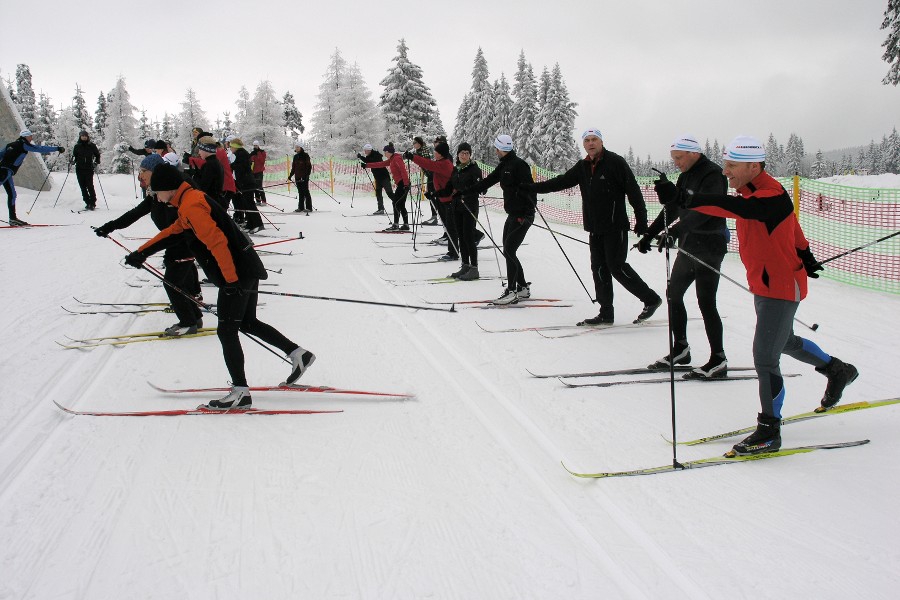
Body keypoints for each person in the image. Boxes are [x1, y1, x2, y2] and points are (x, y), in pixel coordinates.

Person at [680, 135, 858, 455]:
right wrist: (806, 254)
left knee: (765, 358)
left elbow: (738, 210)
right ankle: (836, 369)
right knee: (784, 342)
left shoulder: (769, 194)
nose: (726, 171)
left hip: (780, 287)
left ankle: (768, 431)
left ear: (753, 165)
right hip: (765, 284)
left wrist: (688, 198)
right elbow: (792, 227)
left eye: (732, 165)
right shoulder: (753, 191)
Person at [124, 163, 316, 409]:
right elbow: (174, 232)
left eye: (155, 192)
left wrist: (231, 281)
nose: (156, 198)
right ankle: (298, 354)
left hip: (236, 272)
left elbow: (218, 244)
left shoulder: (192, 205)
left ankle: (240, 393)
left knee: (226, 331)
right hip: (244, 267)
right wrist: (141, 252)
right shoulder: (188, 202)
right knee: (247, 322)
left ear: (167, 188)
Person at [530, 129, 662, 324]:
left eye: (594, 140)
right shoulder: (583, 166)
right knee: (598, 269)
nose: (591, 143)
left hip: (615, 226)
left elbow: (633, 191)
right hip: (595, 228)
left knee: (616, 267)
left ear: (601, 141)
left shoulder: (615, 162)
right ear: (584, 144)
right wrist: (531, 187)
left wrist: (641, 220)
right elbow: (561, 182)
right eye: (587, 140)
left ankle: (651, 299)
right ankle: (606, 313)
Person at [636, 135, 730, 378]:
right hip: (690, 244)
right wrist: (650, 233)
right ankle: (681, 349)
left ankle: (718, 359)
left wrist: (675, 231)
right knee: (673, 295)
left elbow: (707, 210)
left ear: (694, 153)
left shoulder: (713, 175)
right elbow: (674, 207)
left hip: (710, 245)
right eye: (673, 158)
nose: (676, 162)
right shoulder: (685, 175)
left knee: (706, 301)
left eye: (679, 158)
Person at [94, 153, 203, 336]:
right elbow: (136, 212)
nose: (141, 174)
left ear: (155, 170)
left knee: (172, 283)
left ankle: (188, 322)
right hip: (174, 242)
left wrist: (144, 252)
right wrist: (110, 226)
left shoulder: (173, 189)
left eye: (144, 170)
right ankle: (194, 317)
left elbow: (181, 226)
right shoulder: (155, 192)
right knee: (178, 282)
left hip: (184, 241)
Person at [463, 134, 535, 304]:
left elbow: (531, 190)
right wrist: (466, 191)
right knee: (508, 250)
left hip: (522, 216)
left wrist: (527, 214)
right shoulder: (504, 165)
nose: (495, 150)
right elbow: (488, 181)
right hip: (512, 214)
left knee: (509, 250)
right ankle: (523, 287)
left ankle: (511, 291)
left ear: (500, 148)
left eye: (496, 148)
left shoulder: (519, 165)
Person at [0, 129, 64, 225]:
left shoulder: (10, 145)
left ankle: (13, 218)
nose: (31, 138)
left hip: (6, 171)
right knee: (12, 195)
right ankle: (12, 218)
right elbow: (39, 149)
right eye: (30, 136)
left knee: (12, 194)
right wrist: (57, 148)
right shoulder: (23, 144)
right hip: (5, 171)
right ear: (25, 136)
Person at [405, 140, 455, 256]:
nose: (434, 154)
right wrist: (433, 193)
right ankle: (449, 240)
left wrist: (413, 157)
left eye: (436, 152)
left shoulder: (444, 163)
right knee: (445, 221)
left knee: (451, 224)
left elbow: (428, 164)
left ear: (441, 153)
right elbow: (432, 171)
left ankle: (456, 247)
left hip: (448, 199)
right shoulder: (441, 162)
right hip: (442, 197)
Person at [447, 142, 483, 280]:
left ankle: (474, 268)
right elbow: (450, 186)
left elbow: (480, 187)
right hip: (457, 207)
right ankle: (465, 265)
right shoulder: (456, 169)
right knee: (461, 237)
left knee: (468, 237)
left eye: (467, 153)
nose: (464, 155)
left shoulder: (474, 169)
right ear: (458, 154)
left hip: (469, 206)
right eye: (462, 153)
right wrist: (437, 194)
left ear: (470, 155)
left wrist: (466, 192)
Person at [362, 143, 410, 230]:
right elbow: (380, 164)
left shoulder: (396, 159)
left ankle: (396, 225)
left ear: (389, 152)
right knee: (400, 204)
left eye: (385, 152)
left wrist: (406, 184)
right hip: (401, 184)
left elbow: (403, 171)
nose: (384, 154)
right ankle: (406, 225)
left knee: (396, 203)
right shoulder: (392, 159)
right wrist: (367, 165)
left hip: (403, 184)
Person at [229, 138, 264, 233]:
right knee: (246, 204)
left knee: (250, 204)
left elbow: (240, 166)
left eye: (231, 146)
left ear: (235, 146)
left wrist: (230, 167)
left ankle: (258, 224)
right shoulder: (239, 154)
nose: (230, 148)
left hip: (247, 182)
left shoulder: (241, 154)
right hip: (243, 182)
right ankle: (250, 224)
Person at [72, 130, 101, 210]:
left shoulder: (92, 145)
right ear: (80, 137)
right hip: (79, 169)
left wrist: (95, 163)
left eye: (85, 136)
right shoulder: (77, 146)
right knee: (83, 187)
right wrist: (73, 161)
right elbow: (74, 156)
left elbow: (97, 155)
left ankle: (93, 203)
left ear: (87, 137)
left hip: (89, 168)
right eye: (82, 136)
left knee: (90, 186)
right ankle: (87, 202)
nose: (84, 137)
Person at [412, 136, 438, 225]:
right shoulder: (418, 151)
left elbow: (425, 161)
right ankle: (435, 215)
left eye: (415, 143)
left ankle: (436, 216)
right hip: (429, 174)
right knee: (430, 194)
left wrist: (415, 157)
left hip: (432, 174)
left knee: (432, 194)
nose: (414, 145)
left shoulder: (424, 149)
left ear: (419, 143)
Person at [356, 143, 389, 215]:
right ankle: (381, 209)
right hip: (378, 178)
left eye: (365, 150)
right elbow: (368, 161)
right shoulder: (369, 156)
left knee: (389, 193)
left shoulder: (376, 155)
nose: (364, 152)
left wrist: (366, 165)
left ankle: (398, 207)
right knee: (378, 193)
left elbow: (373, 163)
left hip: (384, 177)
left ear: (369, 150)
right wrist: (361, 157)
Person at [288, 142, 313, 213]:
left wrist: (307, 175)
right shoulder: (295, 157)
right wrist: (290, 175)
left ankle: (309, 207)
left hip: (304, 176)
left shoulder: (305, 155)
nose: (296, 148)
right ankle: (301, 207)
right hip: (297, 176)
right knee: (300, 192)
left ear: (301, 148)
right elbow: (294, 167)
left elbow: (309, 166)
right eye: (296, 147)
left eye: (298, 147)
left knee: (306, 192)